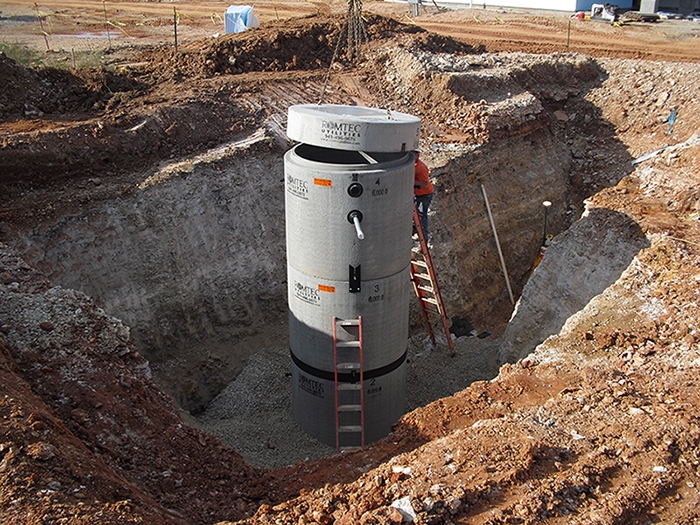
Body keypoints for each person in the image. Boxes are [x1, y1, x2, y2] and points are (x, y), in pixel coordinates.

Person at [413, 149, 434, 239]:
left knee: (421, 215)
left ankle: (424, 238)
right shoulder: (413, 165)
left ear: (417, 155)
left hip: (424, 195)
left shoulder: (421, 168)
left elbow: (425, 185)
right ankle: (416, 230)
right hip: (418, 194)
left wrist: (411, 182)